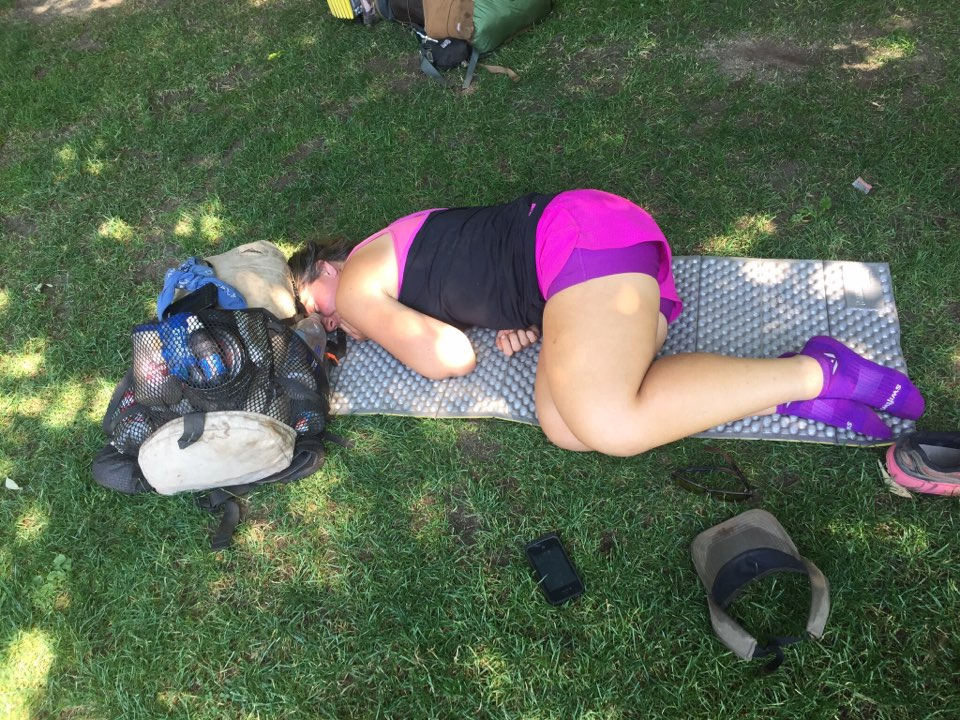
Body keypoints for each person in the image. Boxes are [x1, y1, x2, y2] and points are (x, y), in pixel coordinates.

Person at [288, 189, 924, 455]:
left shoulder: (361, 279)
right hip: (587, 269)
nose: (330, 321)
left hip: (582, 242)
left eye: (313, 303)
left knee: (613, 425)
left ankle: (820, 371)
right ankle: (779, 389)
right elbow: (480, 272)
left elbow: (448, 357)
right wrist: (534, 318)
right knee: (567, 428)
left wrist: (372, 320)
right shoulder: (392, 259)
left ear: (328, 266)